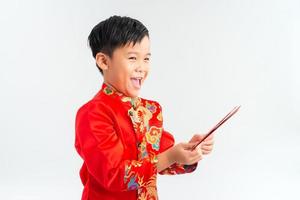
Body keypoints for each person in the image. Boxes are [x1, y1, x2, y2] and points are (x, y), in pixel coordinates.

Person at [75, 15, 214, 200]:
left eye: (146, 58)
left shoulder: (150, 111)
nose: (142, 67)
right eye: (132, 58)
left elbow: (164, 159)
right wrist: (171, 157)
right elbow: (113, 175)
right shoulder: (93, 114)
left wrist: (190, 151)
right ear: (104, 61)